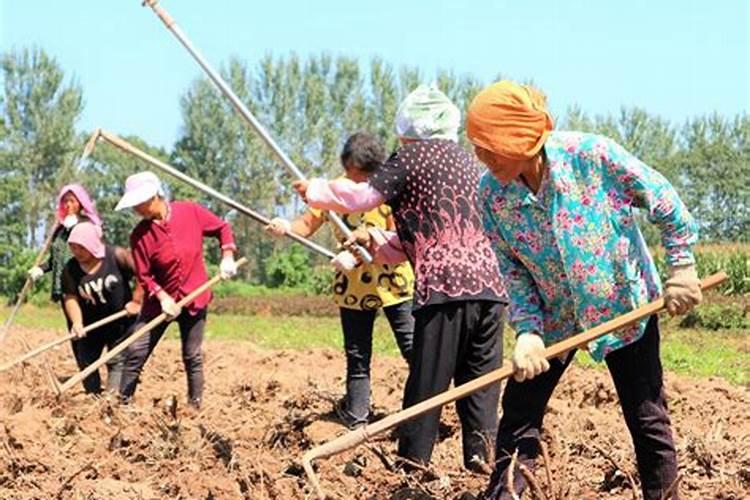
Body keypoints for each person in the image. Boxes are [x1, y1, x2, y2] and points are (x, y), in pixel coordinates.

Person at [466, 80, 702, 499]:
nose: (481, 158)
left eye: (488, 146)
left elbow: (664, 200)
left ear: (518, 139)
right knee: (520, 415)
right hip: (553, 320)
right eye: (478, 148)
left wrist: (682, 266)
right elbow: (513, 270)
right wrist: (527, 332)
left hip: (622, 305)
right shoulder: (491, 196)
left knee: (646, 415)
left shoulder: (592, 156)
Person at [293, 84, 508, 472]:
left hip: (446, 289)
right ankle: (483, 463)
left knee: (427, 384)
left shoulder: (409, 157)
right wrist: (374, 243)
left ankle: (413, 468)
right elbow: (423, 235)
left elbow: (359, 199)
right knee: (480, 387)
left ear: (407, 127)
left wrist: (316, 190)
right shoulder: (467, 161)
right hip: (492, 289)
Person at [266, 132, 415, 429]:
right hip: (353, 285)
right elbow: (307, 224)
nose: (351, 181)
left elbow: (396, 236)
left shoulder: (389, 189)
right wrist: (286, 227)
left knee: (413, 348)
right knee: (357, 353)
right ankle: (357, 418)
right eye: (348, 172)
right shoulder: (332, 191)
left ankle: (423, 414)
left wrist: (365, 250)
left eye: (358, 176)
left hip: (392, 281)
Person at [115, 171, 238, 408]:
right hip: (159, 303)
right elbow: (144, 275)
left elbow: (222, 228)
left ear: (153, 197)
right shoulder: (139, 236)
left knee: (192, 355)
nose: (135, 210)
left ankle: (195, 406)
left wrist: (228, 255)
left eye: (137, 204)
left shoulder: (189, 212)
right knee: (136, 351)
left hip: (195, 296)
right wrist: (161, 297)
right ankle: (122, 405)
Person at [61, 222, 143, 394]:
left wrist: (136, 301)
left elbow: (143, 274)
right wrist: (77, 322)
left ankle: (113, 400)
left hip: (120, 323)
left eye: (81, 248)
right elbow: (71, 298)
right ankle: (93, 398)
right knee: (86, 363)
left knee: (117, 360)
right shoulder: (70, 269)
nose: (77, 252)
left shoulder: (117, 256)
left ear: (91, 244)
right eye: (73, 248)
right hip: (91, 327)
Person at [28, 184, 103, 327]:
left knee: (90, 329)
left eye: (72, 201)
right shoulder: (60, 230)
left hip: (84, 286)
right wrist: (40, 269)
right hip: (66, 288)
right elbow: (54, 260)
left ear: (80, 203)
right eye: (65, 201)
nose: (68, 205)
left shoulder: (89, 226)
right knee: (74, 328)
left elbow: (97, 255)